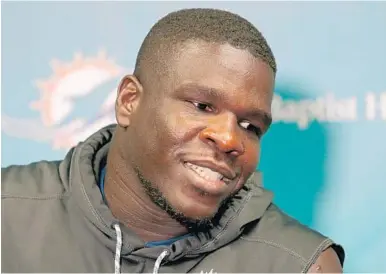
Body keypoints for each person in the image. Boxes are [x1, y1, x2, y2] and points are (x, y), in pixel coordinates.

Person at [2, 8, 345, 273]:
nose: (229, 139)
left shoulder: (300, 265)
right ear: (129, 101)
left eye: (250, 126)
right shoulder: (9, 213)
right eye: (202, 106)